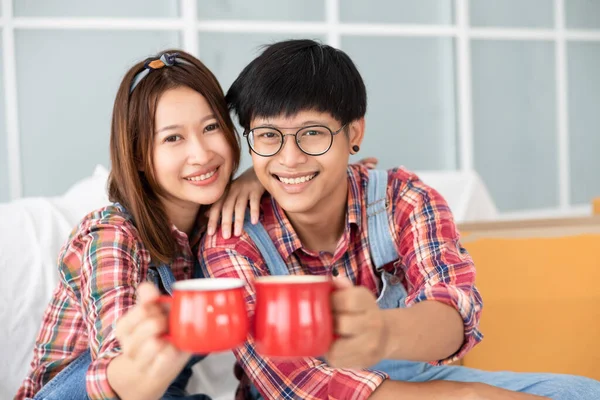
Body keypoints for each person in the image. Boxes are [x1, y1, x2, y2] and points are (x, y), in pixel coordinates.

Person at [199, 39, 600, 399]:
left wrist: (381, 334)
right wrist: (463, 397)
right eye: (268, 135)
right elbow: (289, 384)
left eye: (313, 133)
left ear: (354, 132)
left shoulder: (402, 200)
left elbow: (453, 312)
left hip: (417, 384)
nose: (290, 159)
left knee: (579, 392)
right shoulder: (233, 236)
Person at [15, 49, 262, 400]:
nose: (203, 153)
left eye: (211, 127)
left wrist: (261, 175)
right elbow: (118, 355)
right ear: (138, 156)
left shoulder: (220, 225)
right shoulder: (111, 235)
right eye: (173, 138)